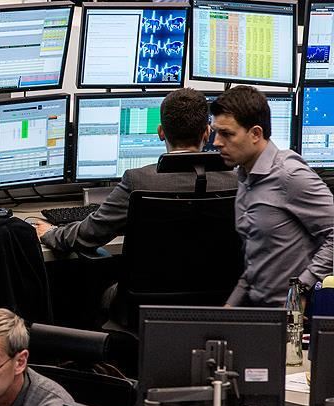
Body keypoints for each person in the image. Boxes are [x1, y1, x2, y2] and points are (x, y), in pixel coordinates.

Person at [34, 87, 238, 252]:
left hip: (148, 291)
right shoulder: (237, 182)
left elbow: (88, 235)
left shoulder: (138, 181)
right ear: (207, 133)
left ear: (160, 132)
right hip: (220, 291)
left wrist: (50, 233)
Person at [211, 86, 334, 307]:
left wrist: (299, 290)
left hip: (290, 315)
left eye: (227, 134)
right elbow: (257, 261)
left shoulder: (289, 175)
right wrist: (230, 307)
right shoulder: (245, 177)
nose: (216, 142)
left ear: (255, 134)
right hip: (261, 311)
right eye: (215, 132)